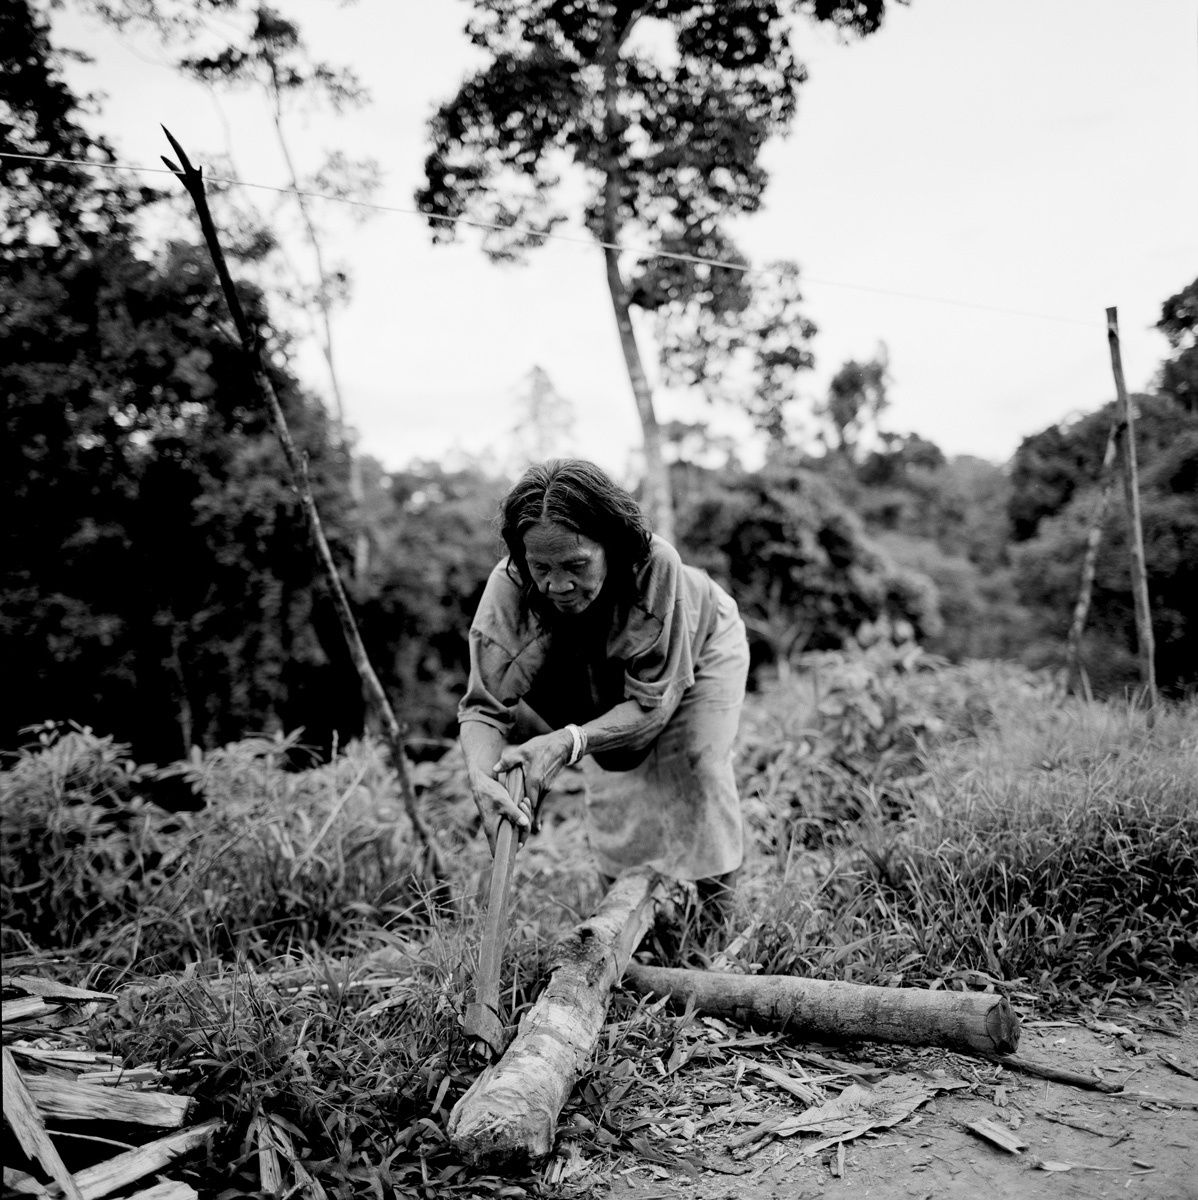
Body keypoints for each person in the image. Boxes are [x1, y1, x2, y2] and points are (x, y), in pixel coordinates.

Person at [458, 459, 750, 930]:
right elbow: (483, 707)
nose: (557, 585)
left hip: (702, 643)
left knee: (696, 761)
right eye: (540, 567)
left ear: (610, 545)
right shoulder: (509, 587)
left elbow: (650, 708)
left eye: (576, 565)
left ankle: (719, 922)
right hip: (589, 666)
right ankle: (620, 924)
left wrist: (569, 741)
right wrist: (481, 778)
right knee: (614, 782)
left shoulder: (656, 567)